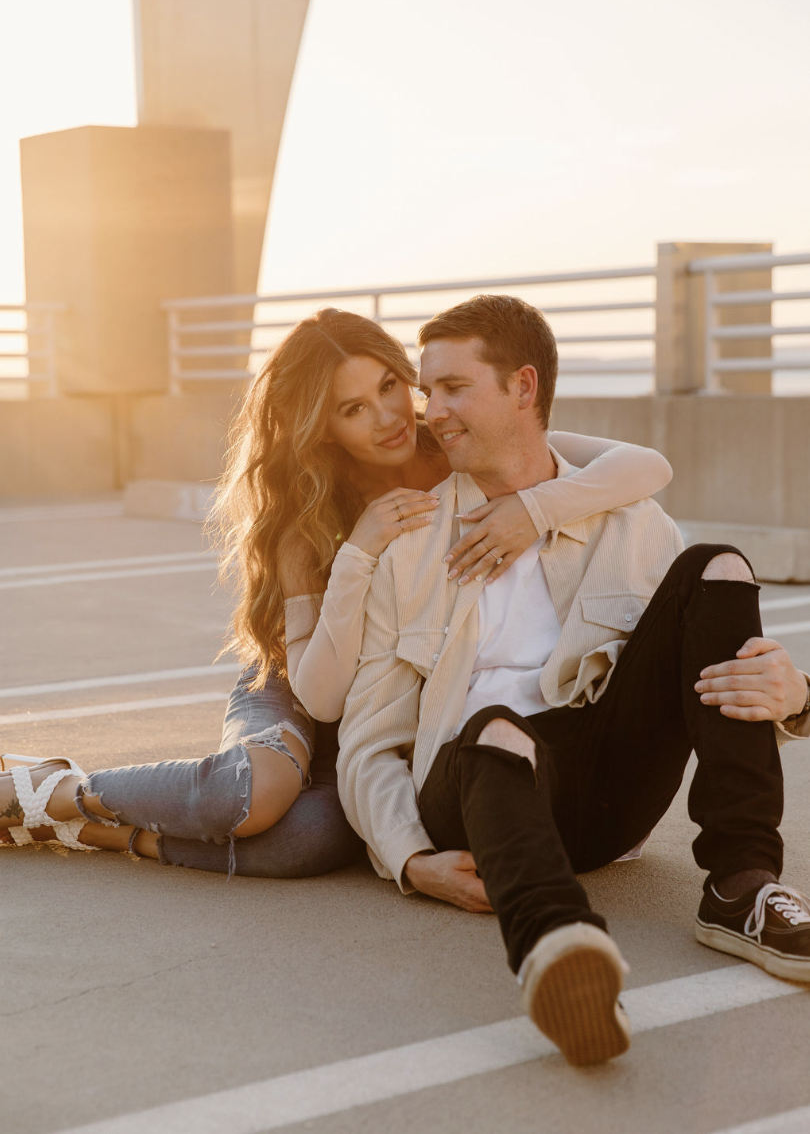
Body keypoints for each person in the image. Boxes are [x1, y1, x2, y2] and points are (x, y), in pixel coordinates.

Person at [0, 309, 675, 876]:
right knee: (262, 796)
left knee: (314, 840)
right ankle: (58, 790)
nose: (388, 416)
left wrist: (536, 510)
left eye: (389, 385)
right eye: (353, 409)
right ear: (322, 427)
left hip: (384, 709)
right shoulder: (306, 519)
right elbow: (320, 694)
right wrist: (359, 552)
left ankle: (100, 834)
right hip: (296, 683)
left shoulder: (455, 444)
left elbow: (645, 466)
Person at [336, 294, 810, 1067]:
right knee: (494, 724)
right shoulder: (411, 549)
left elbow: (704, 660)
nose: (431, 413)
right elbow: (366, 740)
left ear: (523, 389)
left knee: (717, 565)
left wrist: (798, 695)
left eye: (453, 388)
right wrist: (410, 859)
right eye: (429, 391)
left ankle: (742, 884)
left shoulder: (632, 526)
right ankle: (560, 946)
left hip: (601, 792)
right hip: (476, 789)